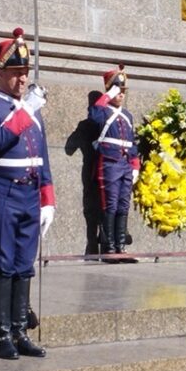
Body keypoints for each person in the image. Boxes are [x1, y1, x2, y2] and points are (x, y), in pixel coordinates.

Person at [0, 28, 53, 359]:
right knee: (3, 261)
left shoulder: (31, 111)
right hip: (1, 190)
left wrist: (48, 198)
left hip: (30, 192)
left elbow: (42, 157)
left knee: (24, 263)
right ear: (0, 72)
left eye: (24, 73)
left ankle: (20, 330)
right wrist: (25, 111)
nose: (22, 80)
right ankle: (1, 333)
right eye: (15, 73)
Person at [87, 65, 140, 254]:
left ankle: (121, 246)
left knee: (123, 203)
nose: (121, 95)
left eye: (123, 91)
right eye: (118, 90)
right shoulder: (103, 111)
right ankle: (108, 246)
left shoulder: (127, 115)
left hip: (125, 164)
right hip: (109, 162)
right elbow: (94, 118)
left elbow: (133, 143)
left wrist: (135, 165)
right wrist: (107, 96)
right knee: (110, 203)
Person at [65, 90, 102, 255]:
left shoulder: (85, 125)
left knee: (90, 209)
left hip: (90, 172)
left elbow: (69, 148)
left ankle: (92, 244)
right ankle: (107, 240)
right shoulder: (107, 124)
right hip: (105, 171)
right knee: (106, 205)